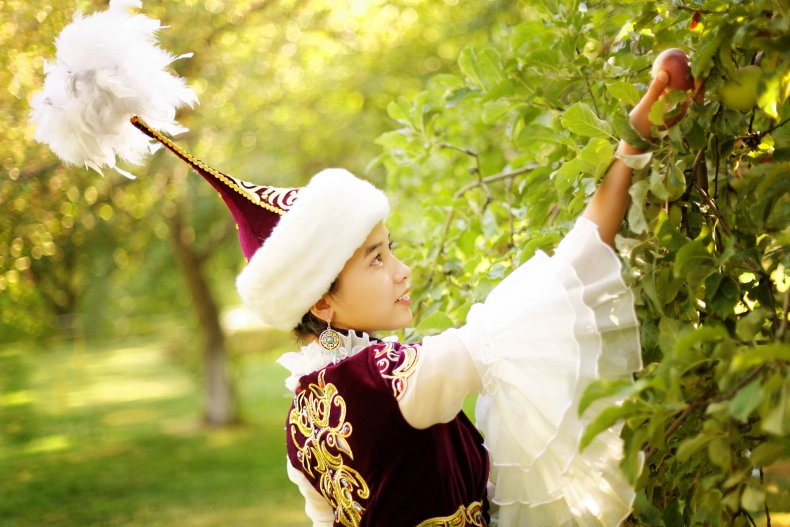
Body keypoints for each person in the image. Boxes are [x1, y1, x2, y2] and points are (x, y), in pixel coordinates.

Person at [28, 4, 690, 524]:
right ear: (322, 300)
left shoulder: (299, 420)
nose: (401, 270)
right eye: (376, 258)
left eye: (391, 247)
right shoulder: (403, 379)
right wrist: (634, 141)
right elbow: (566, 276)